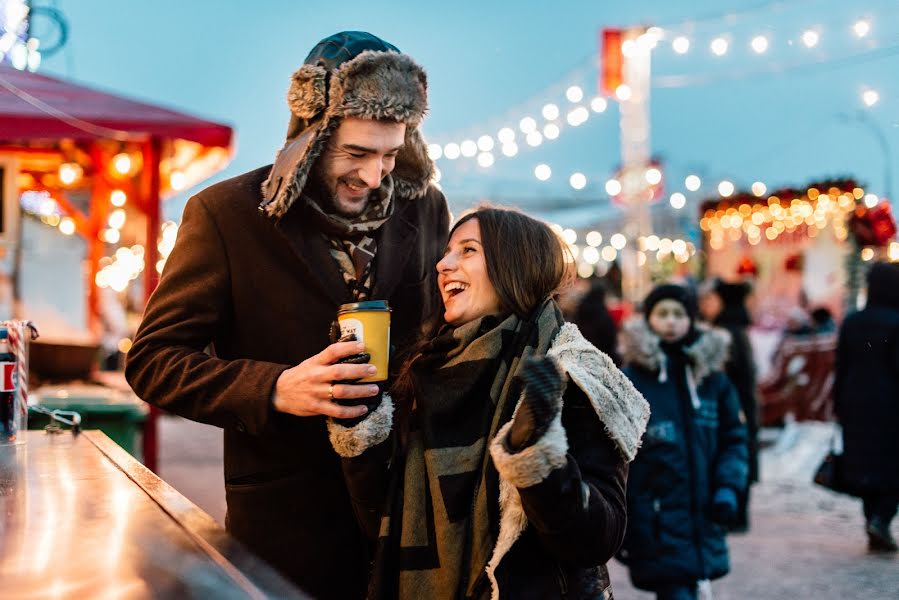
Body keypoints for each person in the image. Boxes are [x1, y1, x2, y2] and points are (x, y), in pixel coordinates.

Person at [125, 31, 449, 599]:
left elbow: (444, 336)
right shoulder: (225, 215)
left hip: (412, 522)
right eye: (356, 153)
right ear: (309, 136)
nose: (374, 176)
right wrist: (275, 387)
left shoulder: (426, 207)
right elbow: (152, 361)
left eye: (390, 155)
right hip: (286, 533)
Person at [326, 207, 650, 599]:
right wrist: (362, 412)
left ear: (514, 264)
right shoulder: (423, 371)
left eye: (468, 250)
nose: (443, 265)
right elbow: (378, 517)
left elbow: (598, 539)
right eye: (447, 252)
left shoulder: (573, 374)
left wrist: (539, 459)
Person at [618, 284, 748, 600]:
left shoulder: (712, 381)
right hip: (656, 519)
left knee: (690, 587)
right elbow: (617, 453)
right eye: (662, 314)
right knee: (676, 590)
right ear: (648, 319)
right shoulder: (630, 380)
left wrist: (728, 488)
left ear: (691, 319)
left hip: (706, 513)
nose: (671, 322)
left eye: (679, 314)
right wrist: (624, 518)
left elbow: (735, 439)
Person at [834, 262, 899, 553]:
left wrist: (838, 403)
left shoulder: (853, 321)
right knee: (892, 465)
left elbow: (841, 366)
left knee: (864, 464)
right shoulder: (897, 321)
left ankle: (871, 520)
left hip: (855, 402)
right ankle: (882, 519)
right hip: (890, 405)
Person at [705, 278, 759, 531]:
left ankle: (735, 511)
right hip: (742, 403)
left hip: (733, 403)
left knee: (733, 451)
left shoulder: (727, 333)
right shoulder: (738, 331)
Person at [574, 279, 621, 365]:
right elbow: (610, 341)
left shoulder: (581, 309)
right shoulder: (603, 314)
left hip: (582, 356)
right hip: (601, 358)